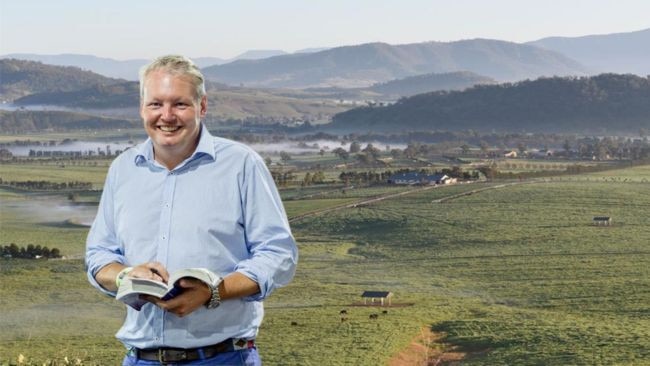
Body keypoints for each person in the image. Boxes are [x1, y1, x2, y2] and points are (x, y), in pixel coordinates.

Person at [85, 55, 298, 365]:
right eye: (155, 104)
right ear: (142, 108)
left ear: (202, 106)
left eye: (179, 104)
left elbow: (279, 254)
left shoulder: (241, 165)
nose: (166, 116)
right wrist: (127, 276)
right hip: (139, 359)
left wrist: (214, 292)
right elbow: (98, 255)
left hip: (223, 357)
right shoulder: (122, 169)